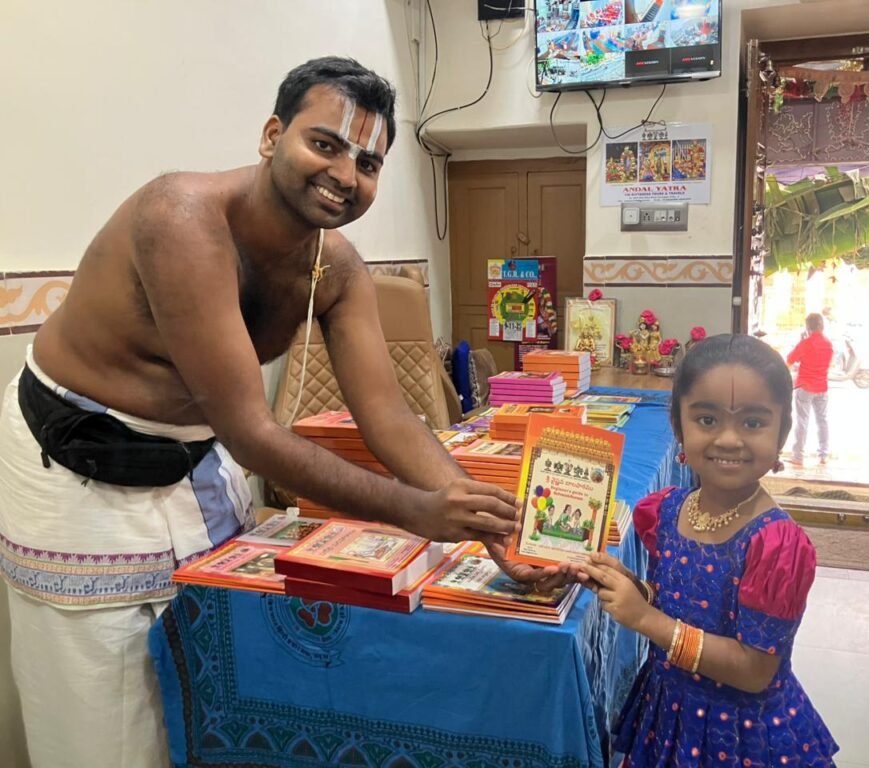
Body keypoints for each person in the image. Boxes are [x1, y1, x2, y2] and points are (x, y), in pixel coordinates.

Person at [0, 57, 552, 768]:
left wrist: (483, 521)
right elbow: (253, 435)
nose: (345, 175)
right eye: (324, 144)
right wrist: (418, 511)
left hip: (196, 469)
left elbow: (388, 418)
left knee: (213, 691)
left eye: (368, 164)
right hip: (80, 472)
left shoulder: (336, 266)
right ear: (271, 136)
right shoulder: (183, 218)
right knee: (106, 720)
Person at [577, 334, 839, 766]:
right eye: (707, 419)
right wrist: (633, 589)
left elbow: (755, 671)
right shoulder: (667, 510)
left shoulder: (776, 545)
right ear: (679, 428)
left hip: (738, 736)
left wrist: (646, 620)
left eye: (753, 423)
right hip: (667, 714)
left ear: (782, 433)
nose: (729, 440)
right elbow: (683, 601)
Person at [786, 312, 833, 467]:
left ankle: (798, 456)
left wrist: (801, 341)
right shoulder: (828, 344)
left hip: (805, 387)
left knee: (802, 421)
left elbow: (790, 359)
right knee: (822, 421)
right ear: (822, 326)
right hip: (822, 387)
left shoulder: (806, 343)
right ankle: (823, 455)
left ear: (808, 327)